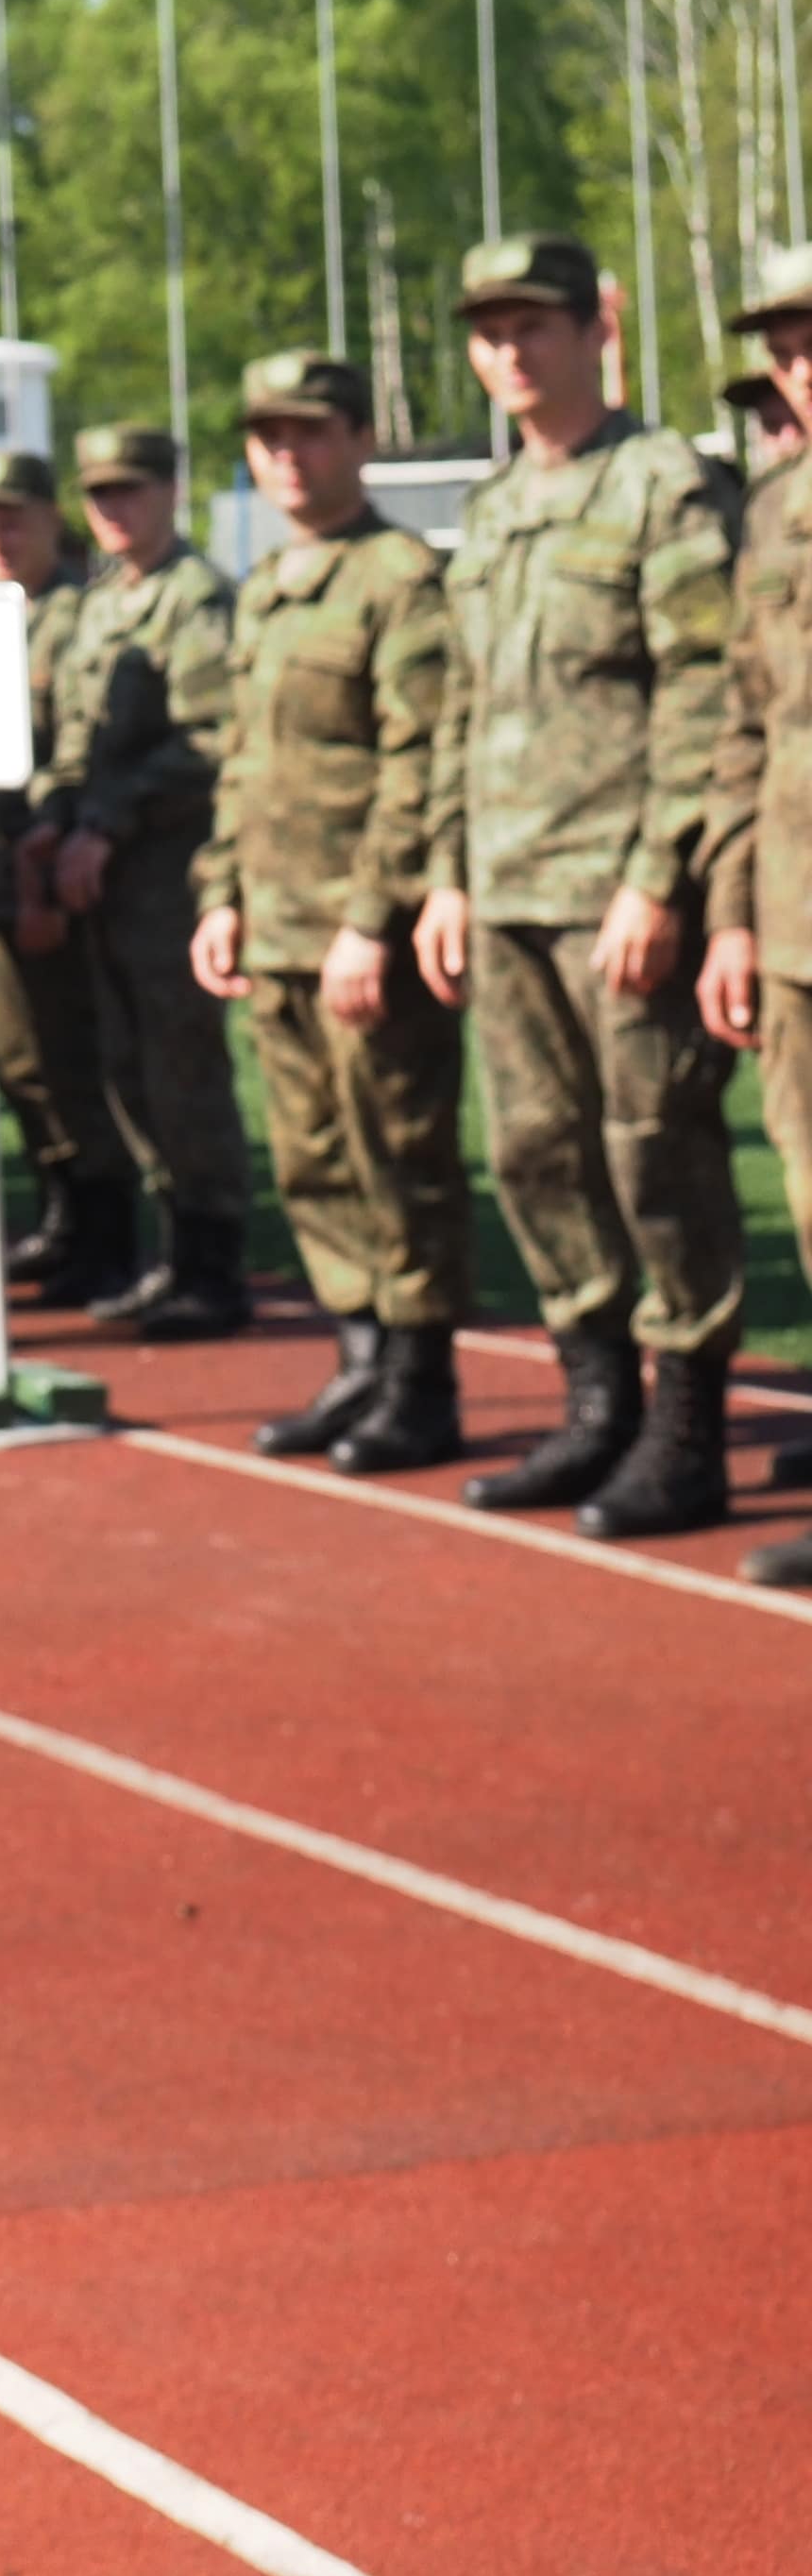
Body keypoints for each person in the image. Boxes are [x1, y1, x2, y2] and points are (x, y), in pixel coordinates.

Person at [421, 234, 747, 1535]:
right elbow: (461, 707)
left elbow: (706, 696)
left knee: (656, 1154)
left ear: (593, 331)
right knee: (538, 1157)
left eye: (534, 325)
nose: (509, 350)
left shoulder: (661, 485)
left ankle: (689, 1428)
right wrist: (444, 875)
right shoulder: (494, 509)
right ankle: (598, 1404)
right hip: (503, 891)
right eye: (490, 329)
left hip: (617, 893)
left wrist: (661, 880)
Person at [195, 352, 470, 1472]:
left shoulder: (398, 577)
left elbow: (419, 762)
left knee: (397, 1155)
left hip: (363, 932)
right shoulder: (264, 585)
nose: (288, 457)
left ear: (360, 440)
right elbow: (241, 764)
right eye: (269, 439)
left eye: (310, 434)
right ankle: (359, 1357)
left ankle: (420, 1378)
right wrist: (220, 895)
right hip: (276, 926)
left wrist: (373, 916)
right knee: (310, 1158)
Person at [38, 425, 250, 1336]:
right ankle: (171, 1249)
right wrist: (57, 819)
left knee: (183, 1069)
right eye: (99, 496)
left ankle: (212, 1263)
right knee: (127, 1070)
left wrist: (107, 819)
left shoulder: (194, 599)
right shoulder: (100, 603)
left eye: (131, 491)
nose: (115, 510)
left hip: (170, 872)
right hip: (101, 877)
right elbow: (73, 737)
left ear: (171, 490)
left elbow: (207, 740)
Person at [0, 447, 143, 1308]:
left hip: (55, 872)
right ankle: (63, 1217)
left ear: (48, 521)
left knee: (74, 1060)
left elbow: (77, 749)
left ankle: (107, 1232)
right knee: (20, 1062)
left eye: (12, 519)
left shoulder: (77, 619)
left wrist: (43, 867)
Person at [699, 244, 812, 1584]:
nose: (797, 367)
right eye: (782, 349)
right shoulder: (774, 514)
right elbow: (742, 727)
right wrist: (728, 914)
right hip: (789, 922)